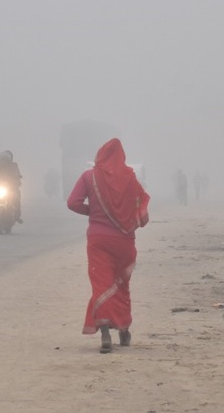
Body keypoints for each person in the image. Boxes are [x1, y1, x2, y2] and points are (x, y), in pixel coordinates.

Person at [67, 138, 150, 353]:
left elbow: (72, 203)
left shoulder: (88, 177)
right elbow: (143, 215)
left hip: (98, 240)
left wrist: (93, 213)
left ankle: (104, 330)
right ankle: (123, 330)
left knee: (101, 283)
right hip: (124, 242)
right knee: (121, 284)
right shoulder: (131, 179)